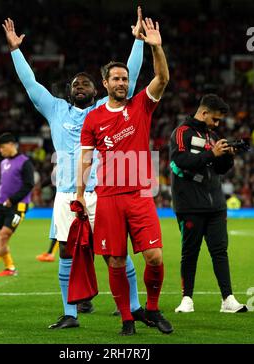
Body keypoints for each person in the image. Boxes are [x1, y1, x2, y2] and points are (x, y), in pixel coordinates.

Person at [2, 7, 148, 329]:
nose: (80, 85)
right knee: (66, 252)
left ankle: (135, 306)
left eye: (86, 83)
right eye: (75, 83)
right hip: (66, 195)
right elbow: (30, 84)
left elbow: (132, 77)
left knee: (116, 254)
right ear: (69, 92)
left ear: (99, 91)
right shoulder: (55, 110)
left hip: (103, 193)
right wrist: (15, 50)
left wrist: (138, 41)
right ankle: (70, 314)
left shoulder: (103, 109)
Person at [78, 17, 173, 336]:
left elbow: (162, 77)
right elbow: (86, 157)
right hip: (107, 198)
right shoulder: (94, 118)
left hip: (139, 195)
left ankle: (153, 308)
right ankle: (127, 319)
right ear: (105, 83)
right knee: (116, 262)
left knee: (155, 257)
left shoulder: (141, 105)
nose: (121, 82)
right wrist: (79, 194)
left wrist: (156, 47)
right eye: (116, 78)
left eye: (125, 78)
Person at [169, 94, 248, 313]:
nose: (217, 124)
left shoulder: (212, 136)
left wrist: (227, 156)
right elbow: (180, 162)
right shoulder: (181, 133)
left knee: (220, 251)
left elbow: (219, 169)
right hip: (189, 204)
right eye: (215, 119)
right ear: (204, 113)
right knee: (190, 252)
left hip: (215, 204)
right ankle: (187, 299)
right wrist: (211, 153)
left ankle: (228, 299)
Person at [0, 133, 35, 276]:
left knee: (3, 237)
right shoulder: (3, 163)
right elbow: (1, 185)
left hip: (17, 206)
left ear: (12, 144)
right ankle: (10, 268)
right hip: (1, 205)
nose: (1, 151)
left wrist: (13, 199)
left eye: (2, 147)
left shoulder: (25, 162)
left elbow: (29, 185)